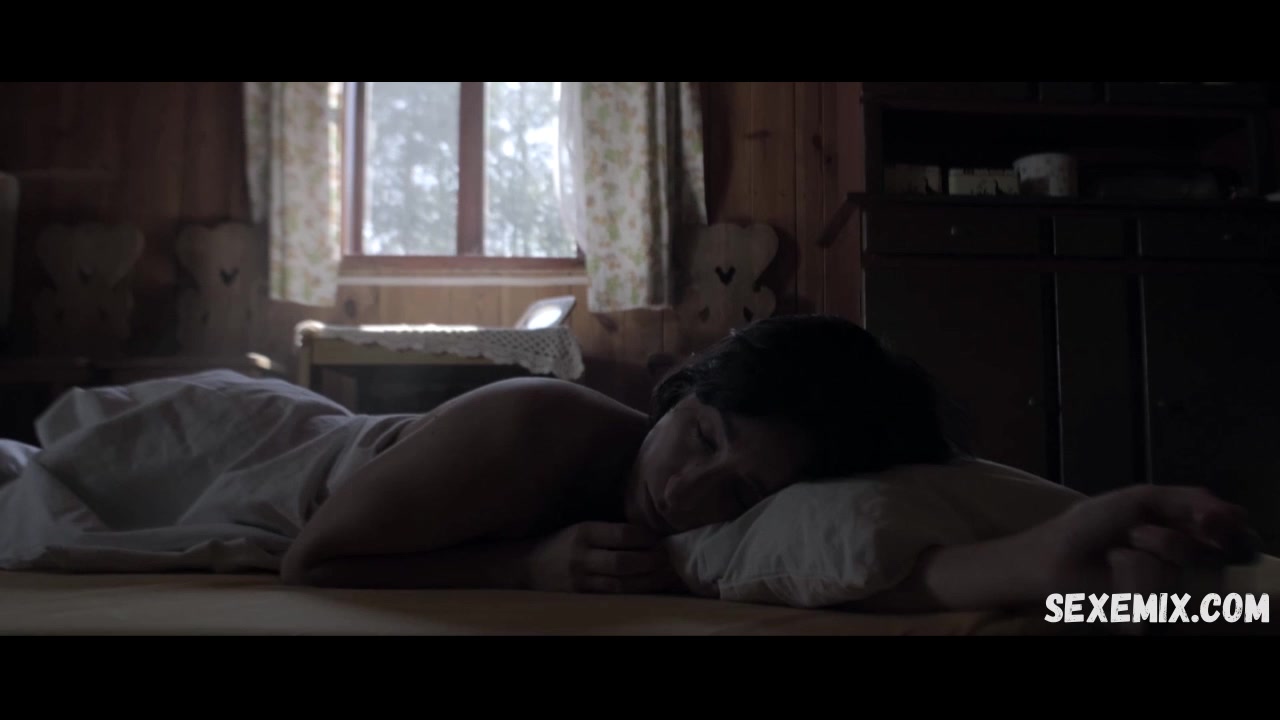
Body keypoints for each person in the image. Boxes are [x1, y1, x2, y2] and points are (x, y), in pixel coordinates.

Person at [0, 315, 1262, 616]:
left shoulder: (733, 522)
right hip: (244, 445)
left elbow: (894, 548)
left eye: (742, 490)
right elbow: (313, 561)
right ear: (678, 391)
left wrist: (1063, 559)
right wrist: (524, 567)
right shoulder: (537, 425)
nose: (688, 493)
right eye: (701, 440)